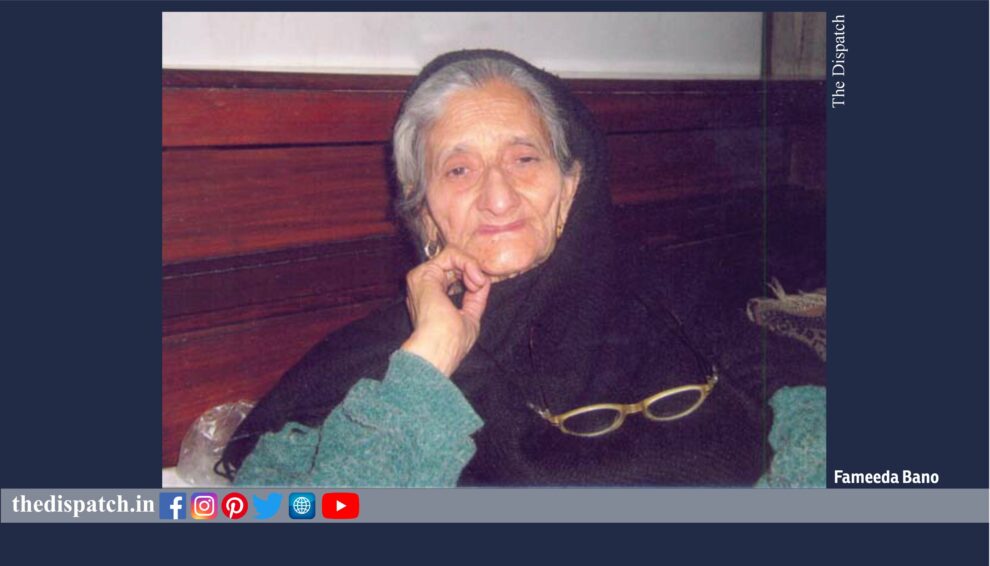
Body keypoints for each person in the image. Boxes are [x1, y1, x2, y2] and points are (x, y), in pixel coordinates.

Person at [219, 49, 781, 487]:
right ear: (423, 211)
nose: (498, 197)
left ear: (572, 184)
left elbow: (811, 414)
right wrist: (430, 359)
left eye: (524, 159)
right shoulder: (372, 364)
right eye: (459, 170)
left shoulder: (673, 300)